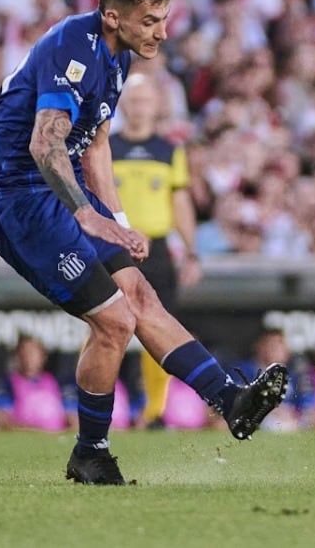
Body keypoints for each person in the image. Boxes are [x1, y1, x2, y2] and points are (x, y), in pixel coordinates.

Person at [0, 0, 288, 485]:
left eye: (164, 18)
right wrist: (86, 217)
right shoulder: (74, 44)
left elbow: (93, 143)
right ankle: (90, 452)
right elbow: (45, 143)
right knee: (114, 320)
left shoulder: (118, 58)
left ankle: (230, 400)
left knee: (141, 298)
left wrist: (116, 218)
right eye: (151, 20)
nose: (162, 32)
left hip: (57, 192)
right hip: (15, 198)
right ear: (114, 17)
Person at [109, 72, 202, 426]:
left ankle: (155, 410)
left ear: (156, 105)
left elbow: (180, 202)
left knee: (160, 328)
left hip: (157, 248)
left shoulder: (169, 150)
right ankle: (103, 409)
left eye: (146, 100)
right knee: (107, 326)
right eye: (133, 100)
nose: (139, 107)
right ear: (124, 105)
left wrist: (191, 251)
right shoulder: (107, 147)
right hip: (115, 246)